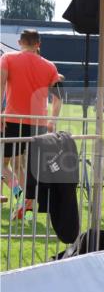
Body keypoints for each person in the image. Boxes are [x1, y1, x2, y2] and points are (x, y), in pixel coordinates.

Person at [1, 29, 62, 217]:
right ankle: (25, 205)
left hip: (13, 120)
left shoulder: (8, 58)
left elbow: (1, 86)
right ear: (38, 45)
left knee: (3, 164)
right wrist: (52, 121)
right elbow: (59, 99)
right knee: (22, 166)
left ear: (20, 42)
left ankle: (20, 196)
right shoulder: (50, 66)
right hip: (39, 124)